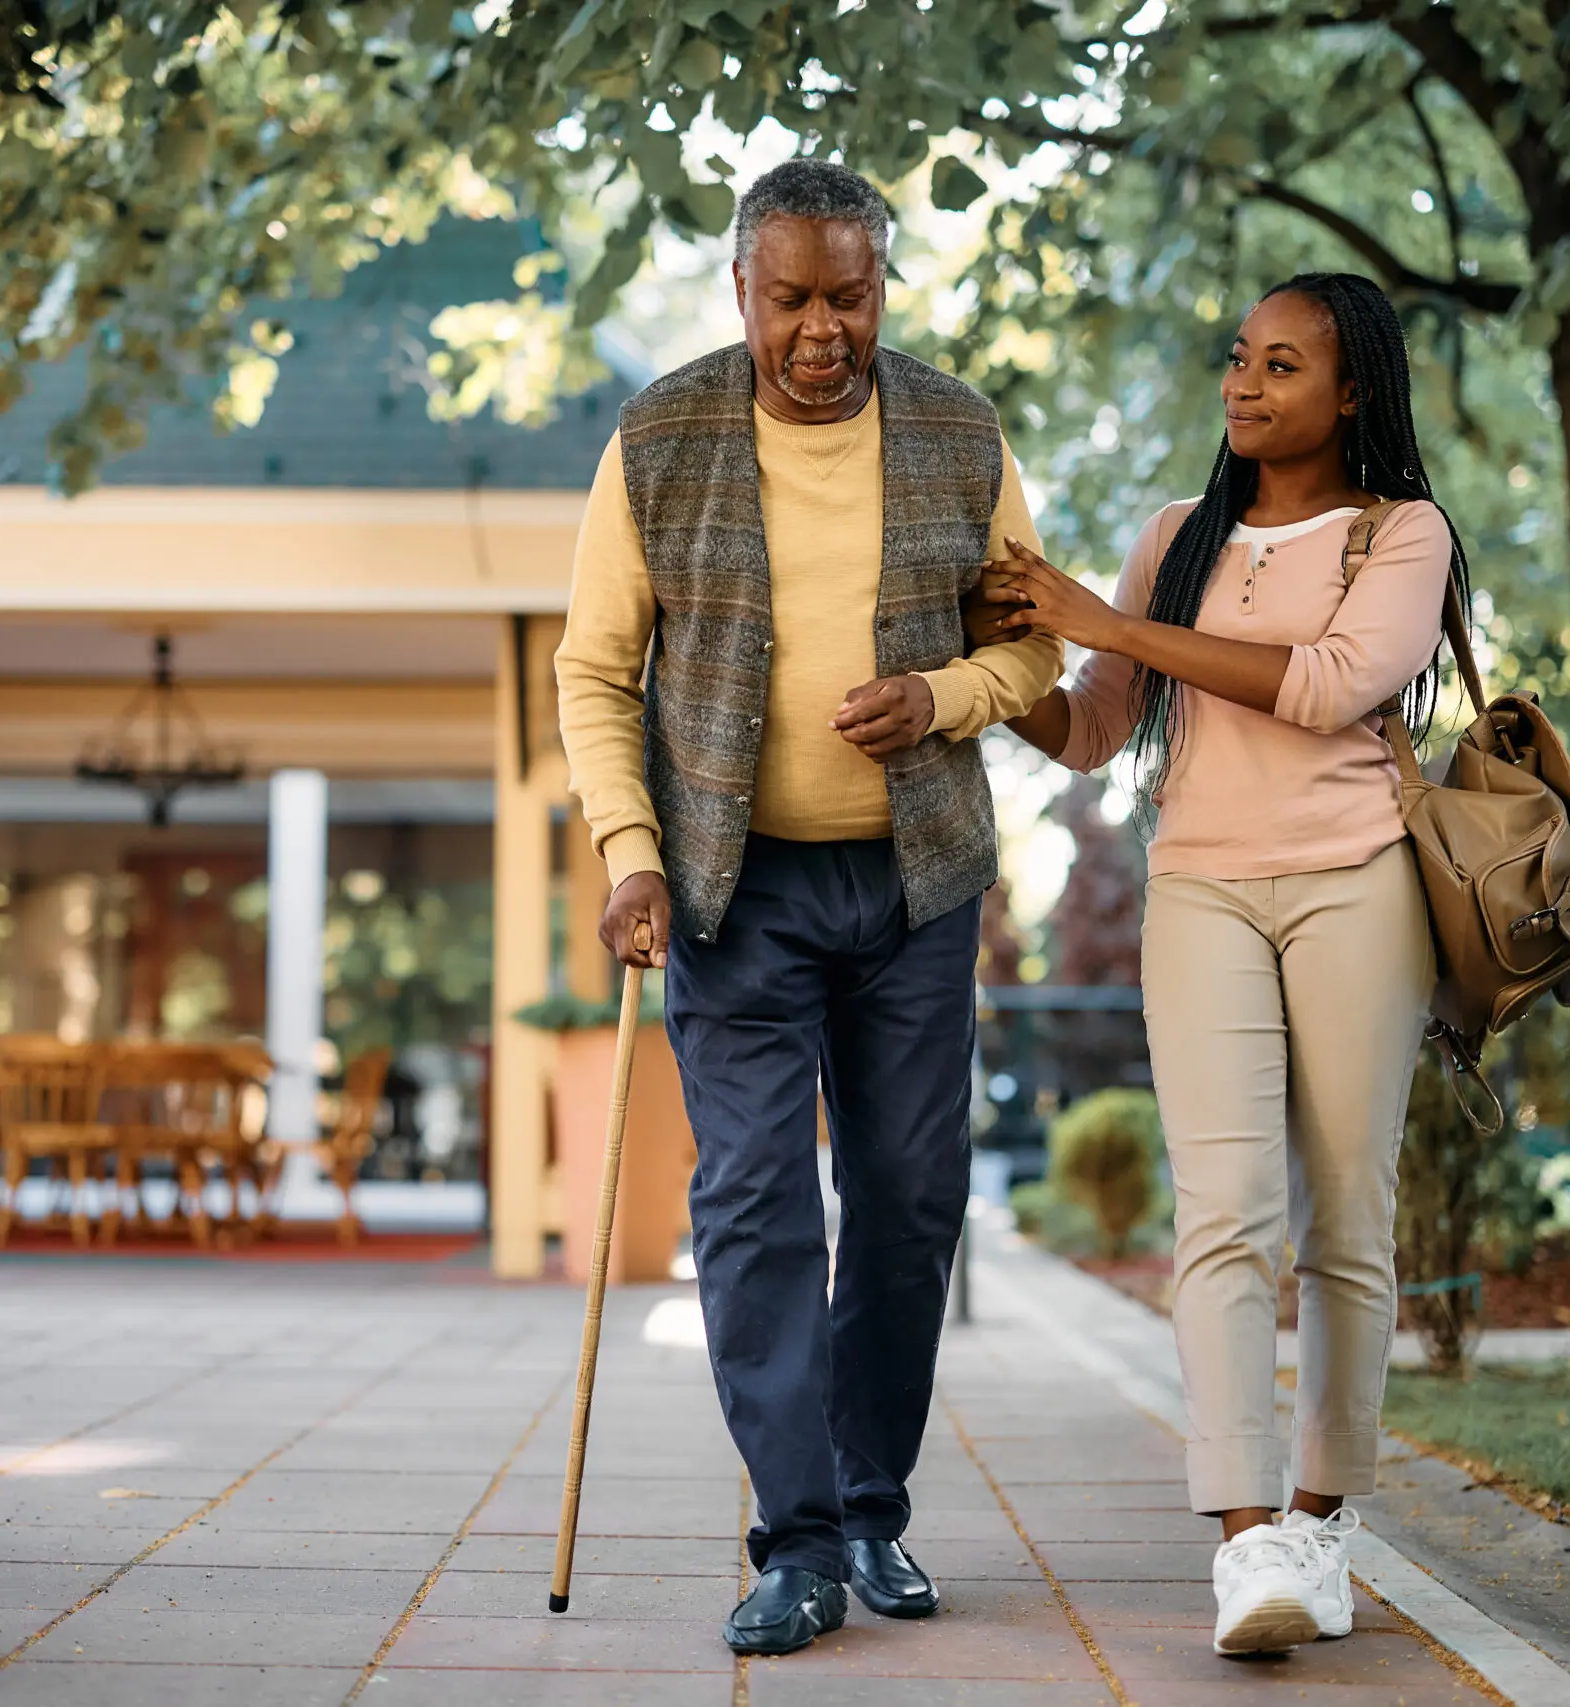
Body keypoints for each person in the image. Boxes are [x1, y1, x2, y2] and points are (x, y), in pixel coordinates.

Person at [554, 159, 1063, 1656]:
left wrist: (944, 695)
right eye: (794, 299)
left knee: (910, 1203)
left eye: (851, 294)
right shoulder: (660, 436)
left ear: (882, 287)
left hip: (915, 883)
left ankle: (871, 1507)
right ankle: (794, 1539)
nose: (824, 329)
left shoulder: (961, 429)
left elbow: (1031, 655)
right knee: (757, 1201)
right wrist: (627, 848)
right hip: (733, 882)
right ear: (743, 292)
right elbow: (595, 670)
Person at [971, 272, 1461, 1658]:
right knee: (1226, 1214)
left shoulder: (1399, 535)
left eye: (1284, 365)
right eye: (1240, 358)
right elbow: (1090, 730)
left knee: (1347, 1222)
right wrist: (989, 673)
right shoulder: (1172, 539)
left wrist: (1102, 618)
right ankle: (1247, 1541)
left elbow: (1321, 686)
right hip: (1201, 892)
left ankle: (1322, 1516)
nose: (1246, 385)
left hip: (1357, 887)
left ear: (1352, 388)